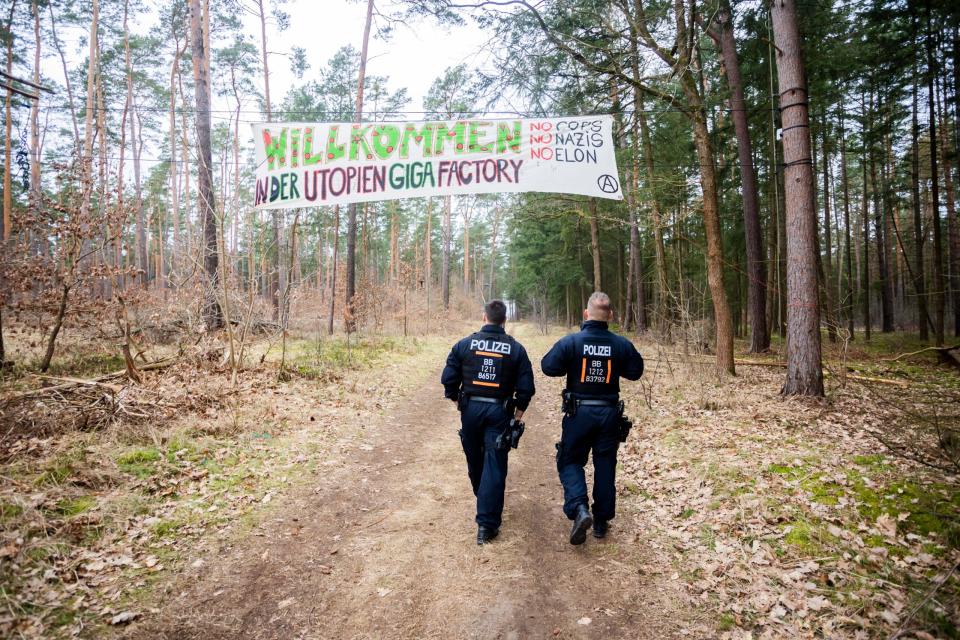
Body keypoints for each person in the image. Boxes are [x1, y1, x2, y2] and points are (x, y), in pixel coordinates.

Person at [541, 291, 644, 545]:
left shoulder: (572, 342)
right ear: (610, 315)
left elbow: (548, 366)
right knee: (605, 464)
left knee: (570, 460)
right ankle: (600, 521)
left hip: (579, 414)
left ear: (586, 314)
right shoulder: (620, 344)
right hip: (608, 415)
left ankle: (579, 508)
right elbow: (636, 371)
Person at [441, 300, 535, 545]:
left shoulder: (464, 345)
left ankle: (486, 514)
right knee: (494, 463)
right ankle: (487, 522)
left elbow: (449, 380)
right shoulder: (516, 350)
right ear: (504, 321)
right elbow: (526, 390)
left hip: (471, 410)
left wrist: (458, 403)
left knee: (475, 460)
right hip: (499, 411)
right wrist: (517, 417)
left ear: (484, 318)